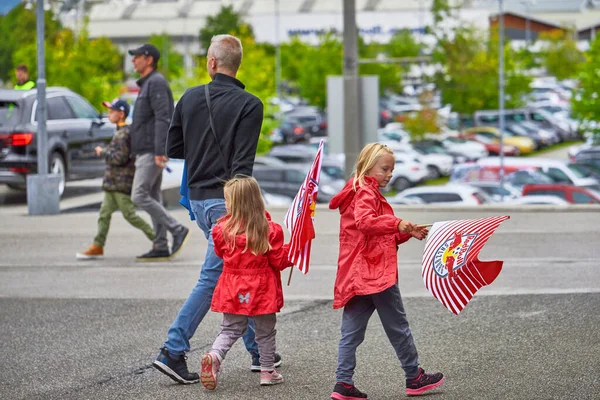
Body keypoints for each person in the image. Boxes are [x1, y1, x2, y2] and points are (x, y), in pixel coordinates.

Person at [154, 34, 273, 384]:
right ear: (237, 65)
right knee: (215, 275)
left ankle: (256, 351)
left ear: (211, 62)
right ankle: (172, 350)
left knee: (236, 267)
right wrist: (249, 211)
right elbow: (243, 166)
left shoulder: (190, 97)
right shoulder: (251, 105)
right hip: (229, 203)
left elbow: (174, 147)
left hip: (198, 198)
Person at [328, 143, 444, 399]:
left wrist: (404, 232)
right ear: (367, 166)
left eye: (392, 169)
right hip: (376, 273)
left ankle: (343, 383)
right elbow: (366, 223)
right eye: (385, 168)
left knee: (350, 333)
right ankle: (414, 377)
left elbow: (370, 235)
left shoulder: (354, 192)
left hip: (355, 274)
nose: (389, 173)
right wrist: (398, 223)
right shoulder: (366, 192)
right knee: (398, 326)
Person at [199, 176, 292, 390]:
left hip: (232, 285)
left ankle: (215, 356)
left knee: (230, 328)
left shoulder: (222, 230)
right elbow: (278, 261)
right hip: (262, 288)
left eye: (227, 200)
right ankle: (267, 371)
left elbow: (221, 253)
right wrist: (293, 250)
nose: (225, 204)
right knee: (265, 331)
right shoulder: (270, 230)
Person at [128, 43, 189, 262]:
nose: (133, 60)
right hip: (145, 149)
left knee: (139, 195)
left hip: (151, 150)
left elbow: (164, 117)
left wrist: (160, 150)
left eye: (137, 56)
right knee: (153, 196)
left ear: (149, 59)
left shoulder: (156, 83)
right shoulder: (148, 84)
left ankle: (177, 228)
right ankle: (161, 244)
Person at [76, 99, 155, 260]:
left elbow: (120, 158)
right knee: (104, 215)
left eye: (112, 111)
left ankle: (157, 239)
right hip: (113, 183)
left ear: (121, 114)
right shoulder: (119, 132)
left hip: (121, 183)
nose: (108, 114)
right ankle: (98, 245)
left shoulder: (124, 133)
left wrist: (102, 152)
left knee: (130, 215)